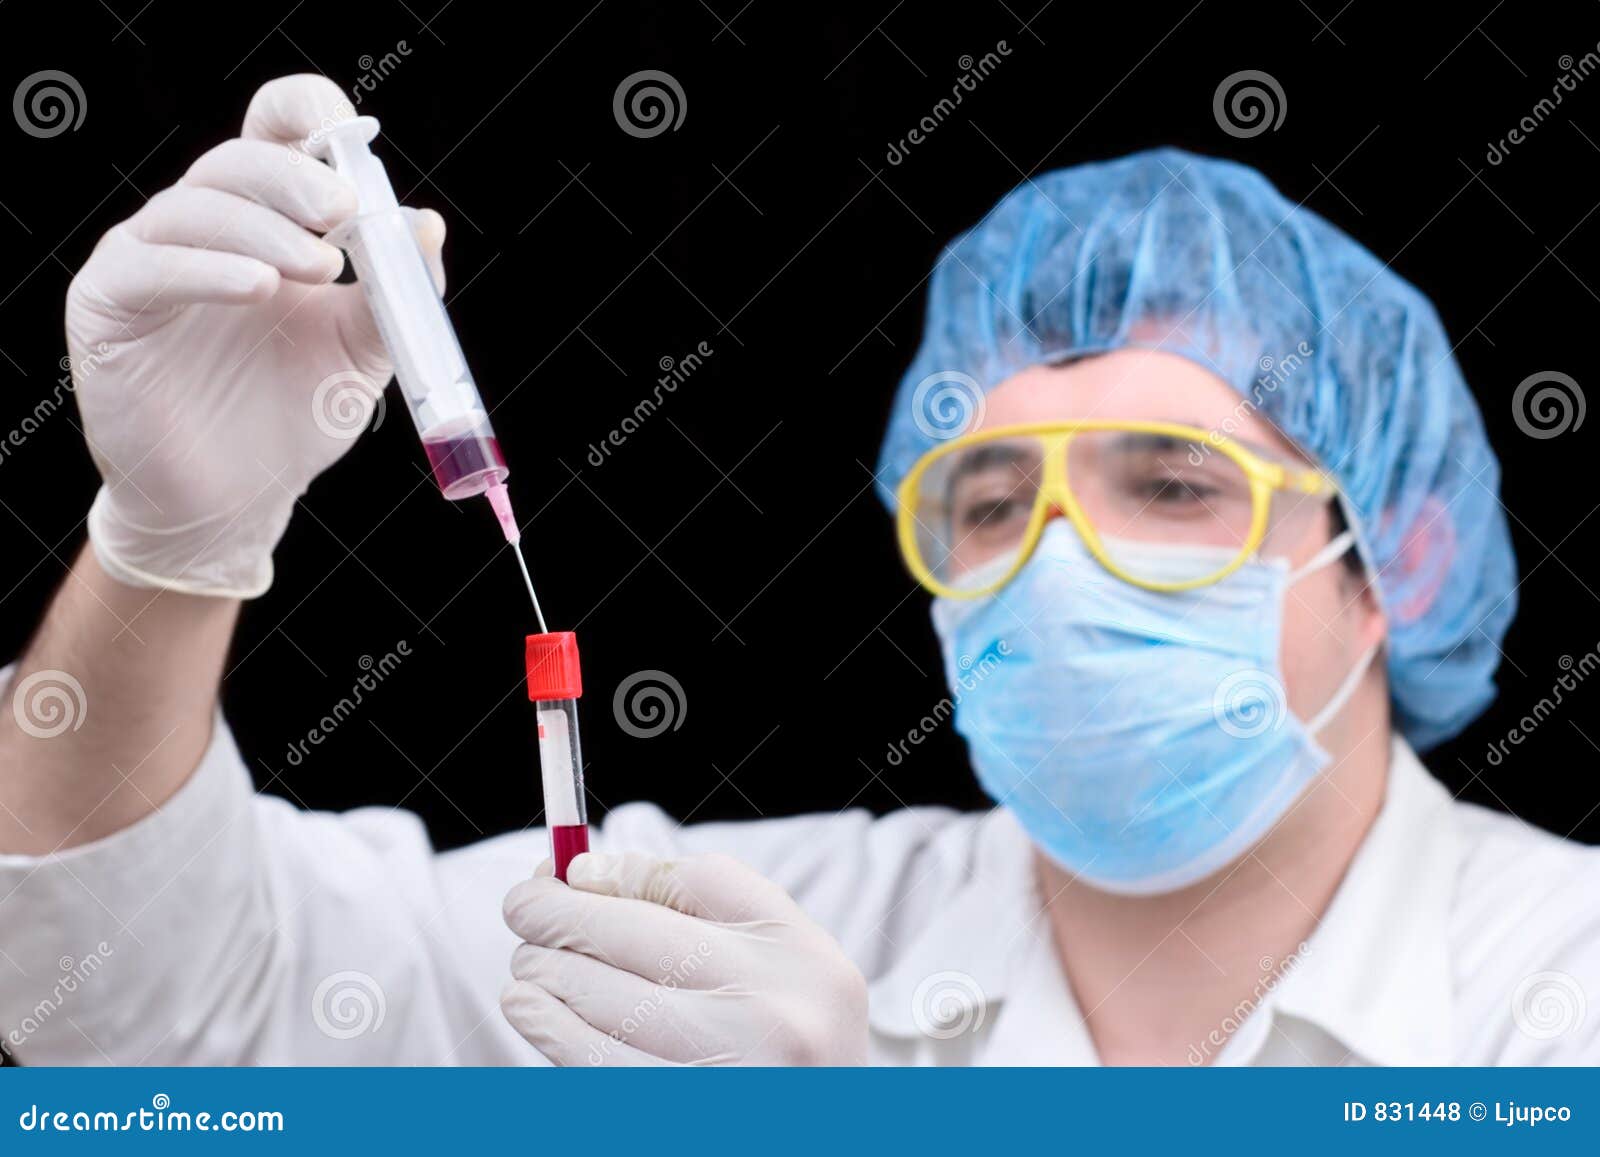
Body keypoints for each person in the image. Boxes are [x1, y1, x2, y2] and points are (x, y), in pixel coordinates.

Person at [1, 75, 1595, 1067]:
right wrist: (171, 547)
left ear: (1401, 556)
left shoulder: (1559, 984)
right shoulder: (767, 935)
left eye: (1173, 486)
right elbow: (149, 1001)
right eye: (989, 501)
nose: (1056, 564)